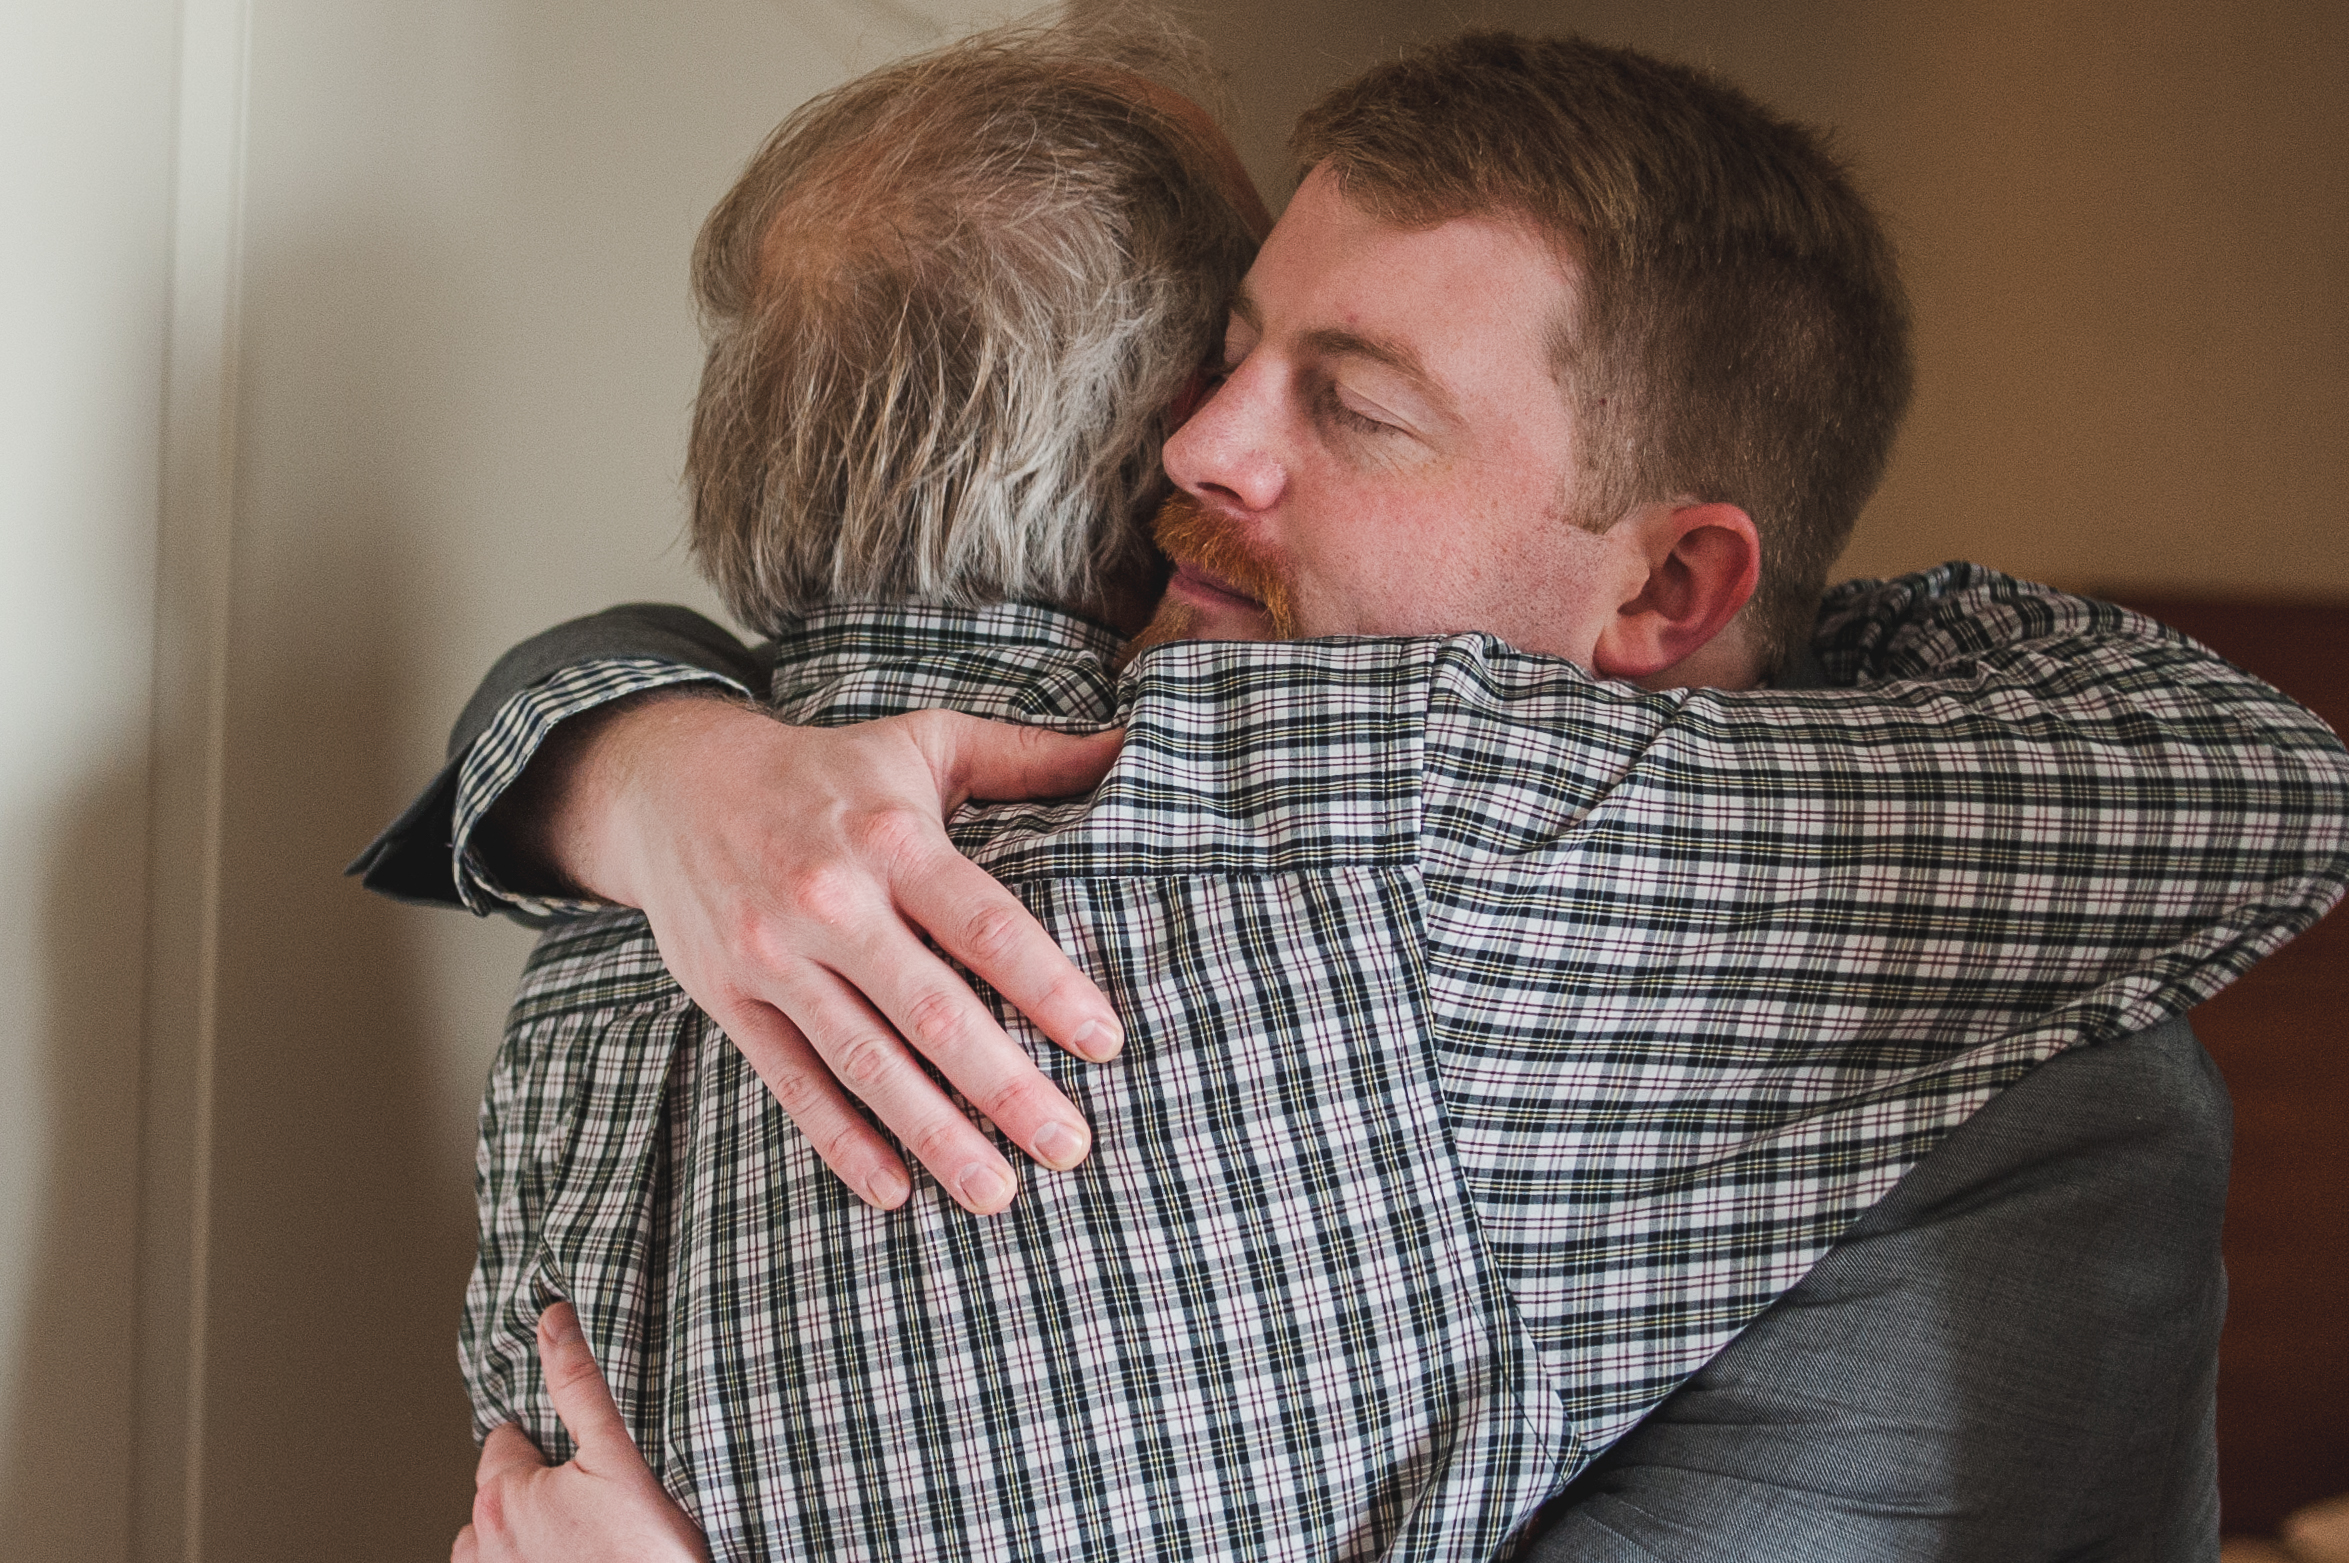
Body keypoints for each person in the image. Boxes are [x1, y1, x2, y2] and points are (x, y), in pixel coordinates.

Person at [365, 18, 2349, 1561]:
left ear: (1664, 587)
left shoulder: (2027, 1113)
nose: (1200, 447)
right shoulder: (986, 804)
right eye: (1221, 356)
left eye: (1353, 404)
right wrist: (647, 767)